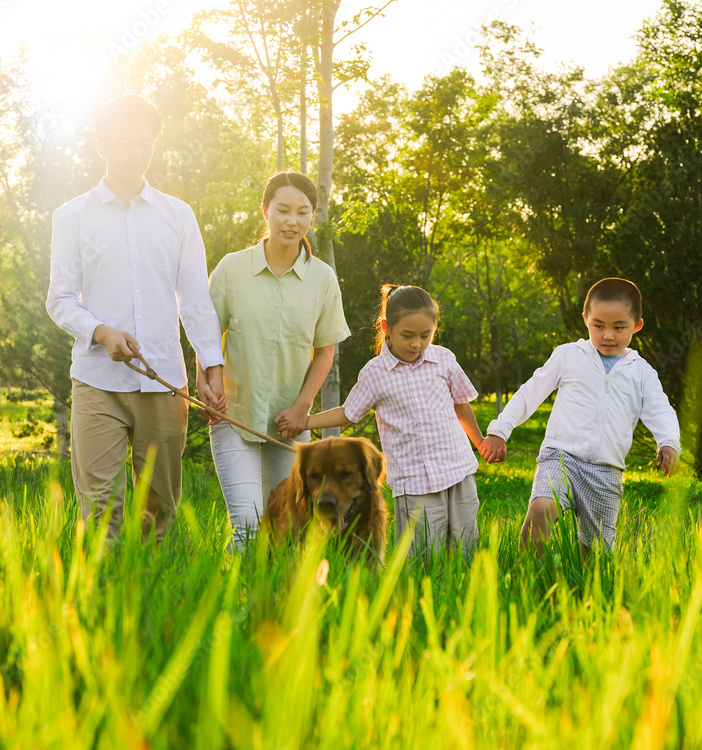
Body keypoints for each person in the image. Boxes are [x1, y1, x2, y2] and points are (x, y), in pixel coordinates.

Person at [46, 94, 226, 542]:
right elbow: (60, 299)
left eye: (145, 142)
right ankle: (102, 605)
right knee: (102, 509)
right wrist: (100, 332)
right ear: (102, 145)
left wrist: (211, 368)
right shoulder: (71, 217)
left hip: (164, 381)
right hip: (96, 383)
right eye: (126, 141)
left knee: (159, 511)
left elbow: (196, 299)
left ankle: (155, 605)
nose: (137, 151)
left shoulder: (178, 216)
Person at [197, 170, 351, 548]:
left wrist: (303, 407)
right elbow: (206, 337)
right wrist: (205, 380)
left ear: (312, 216)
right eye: (282, 210)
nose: (291, 220)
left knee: (284, 526)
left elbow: (324, 350)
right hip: (234, 415)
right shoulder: (232, 268)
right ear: (265, 210)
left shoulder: (323, 279)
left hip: (289, 426)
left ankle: (277, 601)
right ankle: (233, 601)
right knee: (248, 525)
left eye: (302, 212)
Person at [479, 277, 681, 555]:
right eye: (598, 325)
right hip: (560, 456)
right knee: (542, 507)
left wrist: (668, 442)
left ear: (637, 325)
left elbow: (660, 409)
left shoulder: (641, 371)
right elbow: (530, 392)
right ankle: (525, 573)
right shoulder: (569, 356)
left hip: (606, 469)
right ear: (585, 319)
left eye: (619, 327)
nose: (608, 335)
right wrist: (499, 430)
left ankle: (586, 589)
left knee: (595, 553)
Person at [285, 284, 486, 558]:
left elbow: (461, 406)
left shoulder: (444, 359)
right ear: (386, 327)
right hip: (415, 481)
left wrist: (480, 442)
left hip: (457, 469)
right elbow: (348, 412)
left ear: (435, 328)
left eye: (425, 335)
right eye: (407, 335)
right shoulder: (375, 373)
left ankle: (467, 594)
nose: (416, 343)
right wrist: (304, 422)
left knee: (466, 545)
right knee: (425, 553)